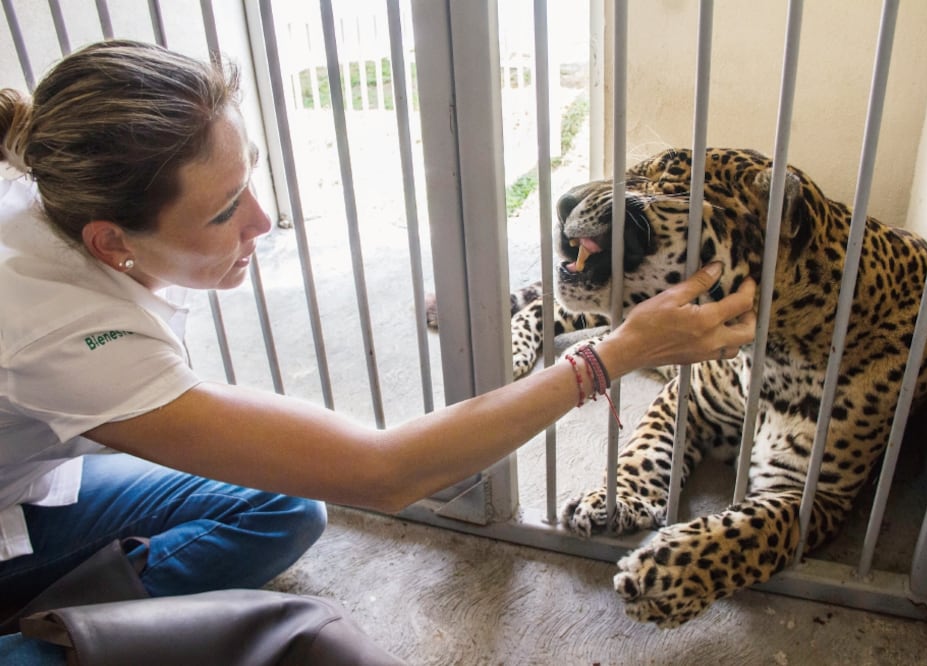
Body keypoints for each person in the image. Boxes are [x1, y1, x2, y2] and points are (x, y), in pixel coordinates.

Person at [0, 40, 756, 663]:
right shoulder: (58, 323)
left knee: (286, 508)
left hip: (32, 484)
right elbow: (386, 473)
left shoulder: (48, 189)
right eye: (226, 212)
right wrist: (612, 356)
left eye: (251, 177)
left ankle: (55, 605)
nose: (264, 221)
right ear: (111, 242)